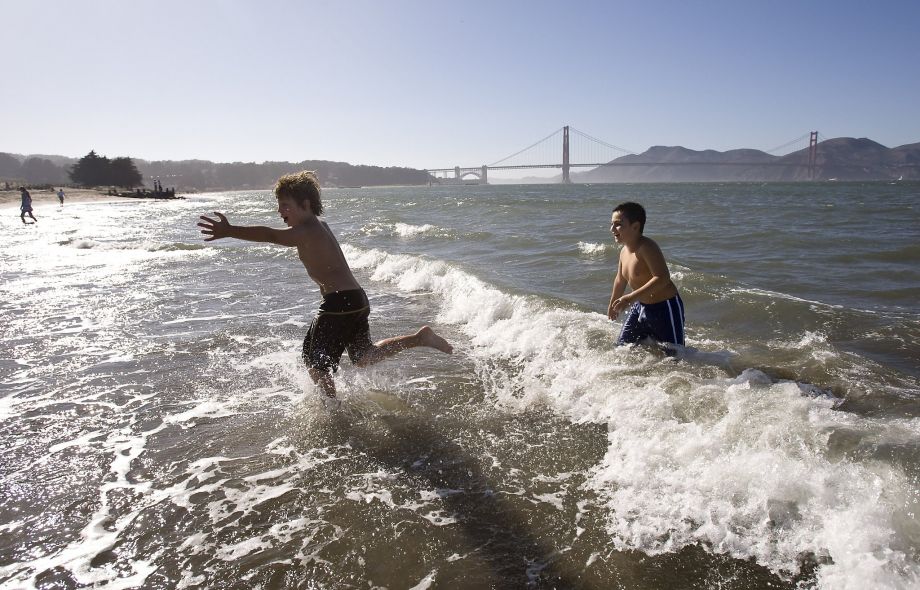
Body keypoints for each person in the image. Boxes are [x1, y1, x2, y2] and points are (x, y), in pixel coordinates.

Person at [197, 170, 453, 400]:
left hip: (339, 303)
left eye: (285, 206)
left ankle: (333, 410)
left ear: (305, 204)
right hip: (355, 300)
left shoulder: (307, 230)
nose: (280, 212)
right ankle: (419, 338)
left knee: (314, 361)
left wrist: (230, 231)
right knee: (364, 356)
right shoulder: (320, 226)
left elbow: (270, 235)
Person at [607, 202, 684, 349]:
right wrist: (612, 303)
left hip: (665, 308)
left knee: (675, 356)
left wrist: (629, 298)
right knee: (621, 348)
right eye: (611, 224)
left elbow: (662, 278)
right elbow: (620, 279)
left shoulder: (647, 247)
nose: (612, 229)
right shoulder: (623, 251)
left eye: (618, 224)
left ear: (635, 226)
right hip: (639, 307)